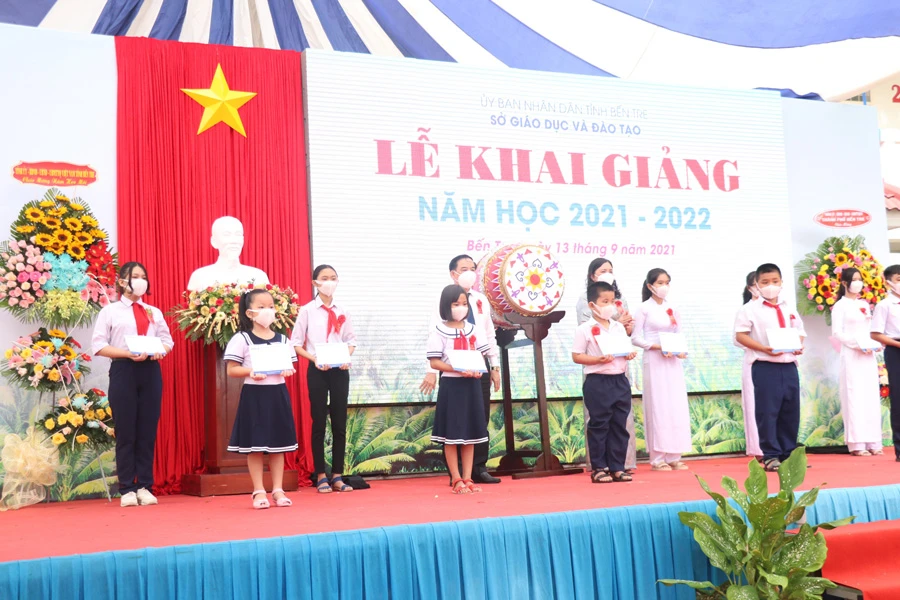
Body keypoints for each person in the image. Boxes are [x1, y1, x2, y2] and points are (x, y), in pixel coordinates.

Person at [92, 262, 173, 507]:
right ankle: (127, 487)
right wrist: (127, 354)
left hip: (150, 371)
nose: (140, 280)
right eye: (134, 276)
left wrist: (160, 351)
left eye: (143, 276)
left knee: (147, 430)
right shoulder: (110, 311)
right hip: (123, 369)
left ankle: (145, 486)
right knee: (126, 431)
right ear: (121, 282)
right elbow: (99, 345)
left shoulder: (153, 311)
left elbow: (167, 341)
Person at [420, 254, 501, 485]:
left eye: (472, 268)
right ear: (453, 274)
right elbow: (434, 335)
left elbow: (489, 335)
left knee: (479, 416)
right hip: (452, 372)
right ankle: (455, 475)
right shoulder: (443, 299)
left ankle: (478, 469)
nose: (470, 273)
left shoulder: (481, 300)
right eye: (464, 269)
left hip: (477, 368)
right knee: (454, 422)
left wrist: (494, 366)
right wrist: (430, 371)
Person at [224, 288, 298, 509]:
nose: (268, 311)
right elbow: (232, 369)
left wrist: (287, 370)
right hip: (254, 396)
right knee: (255, 445)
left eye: (271, 307)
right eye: (262, 307)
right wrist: (251, 371)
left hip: (278, 394)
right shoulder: (242, 338)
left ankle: (278, 490)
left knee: (278, 445)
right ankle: (258, 491)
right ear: (250, 313)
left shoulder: (283, 339)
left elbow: (290, 365)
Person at [292, 265, 357, 493]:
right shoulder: (307, 311)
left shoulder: (343, 310)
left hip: (340, 371)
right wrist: (315, 359)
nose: (329, 282)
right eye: (324, 278)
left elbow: (351, 341)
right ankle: (320, 475)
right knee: (318, 422)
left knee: (340, 423)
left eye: (333, 278)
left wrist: (346, 357)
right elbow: (296, 344)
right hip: (318, 370)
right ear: (315, 283)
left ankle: (337, 476)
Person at [735, 263, 806, 472]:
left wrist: (798, 345)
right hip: (765, 365)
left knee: (790, 410)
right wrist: (763, 349)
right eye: (765, 282)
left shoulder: (788, 307)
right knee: (768, 411)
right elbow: (740, 336)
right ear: (756, 285)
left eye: (775, 281)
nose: (770, 286)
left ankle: (788, 454)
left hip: (789, 365)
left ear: (781, 282)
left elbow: (800, 331)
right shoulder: (749, 309)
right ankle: (771, 455)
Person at [427, 284, 492, 494]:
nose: (461, 308)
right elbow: (435, 362)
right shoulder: (439, 330)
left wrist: (477, 371)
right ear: (446, 305)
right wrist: (457, 368)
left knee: (470, 434)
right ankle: (456, 479)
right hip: (452, 386)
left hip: (471, 385)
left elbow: (481, 354)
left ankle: (468, 477)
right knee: (452, 435)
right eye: (456, 304)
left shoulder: (474, 329)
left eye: (464, 303)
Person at [575, 258, 637, 473]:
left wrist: (628, 351)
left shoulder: (617, 326)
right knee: (599, 424)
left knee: (620, 424)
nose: (610, 305)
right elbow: (577, 355)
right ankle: (599, 467)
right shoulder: (585, 326)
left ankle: (618, 466)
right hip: (598, 379)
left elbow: (625, 341)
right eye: (604, 302)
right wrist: (597, 360)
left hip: (619, 379)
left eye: (612, 301)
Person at [631, 268, 692, 471]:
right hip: (654, 360)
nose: (664, 287)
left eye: (667, 283)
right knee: (658, 406)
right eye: (660, 283)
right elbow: (635, 338)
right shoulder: (643, 309)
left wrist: (680, 350)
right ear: (650, 286)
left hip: (672, 361)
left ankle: (674, 455)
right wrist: (656, 346)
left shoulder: (672, 308)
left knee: (675, 405)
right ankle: (658, 458)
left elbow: (679, 334)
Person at [832, 267, 883, 456]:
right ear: (845, 283)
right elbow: (837, 333)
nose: (858, 283)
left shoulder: (864, 304)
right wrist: (857, 344)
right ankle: (857, 443)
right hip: (852, 355)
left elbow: (870, 330)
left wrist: (874, 344)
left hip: (867, 355)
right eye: (854, 279)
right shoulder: (840, 306)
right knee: (854, 396)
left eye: (860, 279)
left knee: (870, 396)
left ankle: (873, 441)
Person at [187, 216, 269, 291]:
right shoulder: (200, 276)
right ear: (214, 241)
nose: (234, 241)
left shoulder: (258, 276)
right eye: (227, 235)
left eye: (238, 234)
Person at [870, 264, 900, 462]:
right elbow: (875, 334)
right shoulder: (884, 305)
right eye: (899, 279)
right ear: (889, 282)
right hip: (895, 349)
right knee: (898, 398)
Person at [734, 271, 762, 458]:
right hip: (754, 361)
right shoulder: (746, 309)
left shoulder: (776, 308)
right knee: (755, 405)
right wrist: (759, 346)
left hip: (776, 361)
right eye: (756, 284)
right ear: (749, 288)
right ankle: (759, 449)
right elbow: (737, 339)